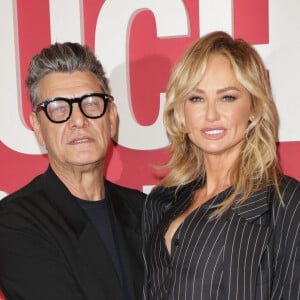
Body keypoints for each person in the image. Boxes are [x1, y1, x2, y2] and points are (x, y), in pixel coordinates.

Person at [142, 31, 300, 300]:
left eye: (227, 97)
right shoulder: (161, 201)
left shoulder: (284, 202)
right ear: (181, 111)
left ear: (253, 107)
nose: (211, 114)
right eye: (196, 98)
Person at [0, 42, 146, 300]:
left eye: (90, 103)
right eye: (58, 108)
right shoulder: (13, 223)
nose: (78, 120)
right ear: (37, 127)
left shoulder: (147, 211)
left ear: (111, 118)